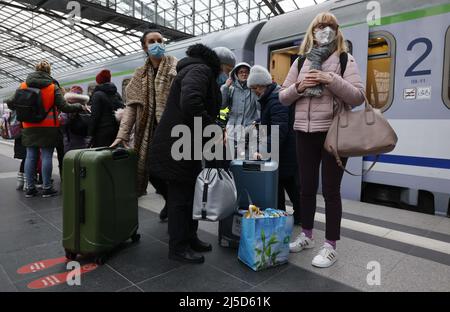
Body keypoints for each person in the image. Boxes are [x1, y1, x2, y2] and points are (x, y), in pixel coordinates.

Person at [279, 12, 365, 268]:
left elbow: (357, 97)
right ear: (312, 30)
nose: (324, 30)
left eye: (329, 26)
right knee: (305, 188)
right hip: (303, 132)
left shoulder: (344, 59)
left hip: (333, 132)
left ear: (336, 30)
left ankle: (331, 245)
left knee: (330, 191)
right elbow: (283, 96)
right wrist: (300, 87)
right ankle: (306, 235)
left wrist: (331, 79)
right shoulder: (300, 61)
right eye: (319, 26)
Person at [147, 44, 223, 264]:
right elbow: (190, 102)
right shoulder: (201, 70)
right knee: (181, 198)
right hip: (178, 145)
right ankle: (178, 248)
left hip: (182, 143)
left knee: (189, 195)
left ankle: (190, 238)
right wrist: (213, 127)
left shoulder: (191, 69)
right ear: (217, 65)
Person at [112, 30, 177, 222]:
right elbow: (131, 107)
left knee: (173, 173)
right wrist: (121, 135)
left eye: (160, 40)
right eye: (152, 41)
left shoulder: (175, 67)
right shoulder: (139, 74)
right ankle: (169, 200)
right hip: (149, 131)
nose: (157, 44)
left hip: (173, 131)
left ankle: (175, 207)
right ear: (144, 47)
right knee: (152, 171)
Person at [7, 60, 88, 198]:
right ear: (48, 72)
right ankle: (46, 188)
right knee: (46, 156)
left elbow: (10, 102)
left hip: (28, 127)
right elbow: (65, 107)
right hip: (48, 127)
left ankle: (30, 189)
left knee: (30, 157)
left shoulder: (23, 86)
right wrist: (79, 107)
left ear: (35, 70)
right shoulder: (52, 87)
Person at [247, 65, 301, 225]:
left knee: (290, 186)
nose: (254, 91)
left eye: (254, 88)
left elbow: (279, 129)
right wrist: (259, 122)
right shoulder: (271, 97)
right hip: (281, 151)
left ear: (261, 85)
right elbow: (275, 121)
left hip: (285, 152)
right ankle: (282, 218)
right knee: (281, 186)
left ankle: (299, 219)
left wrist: (263, 150)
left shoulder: (275, 98)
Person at [221, 62, 260, 159]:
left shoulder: (253, 89)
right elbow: (222, 105)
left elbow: (260, 108)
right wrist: (225, 87)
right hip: (232, 131)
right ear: (236, 74)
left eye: (246, 72)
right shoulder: (231, 89)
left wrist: (257, 92)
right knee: (230, 158)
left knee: (247, 159)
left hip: (249, 130)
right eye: (241, 72)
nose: (244, 74)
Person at [89, 70, 124, 148]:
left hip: (101, 131)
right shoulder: (116, 94)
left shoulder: (97, 95)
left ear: (99, 81)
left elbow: (95, 116)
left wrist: (90, 133)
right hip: (115, 130)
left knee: (101, 155)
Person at [60, 86, 90, 153]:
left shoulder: (68, 107)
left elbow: (63, 121)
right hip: (85, 140)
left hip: (70, 141)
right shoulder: (86, 107)